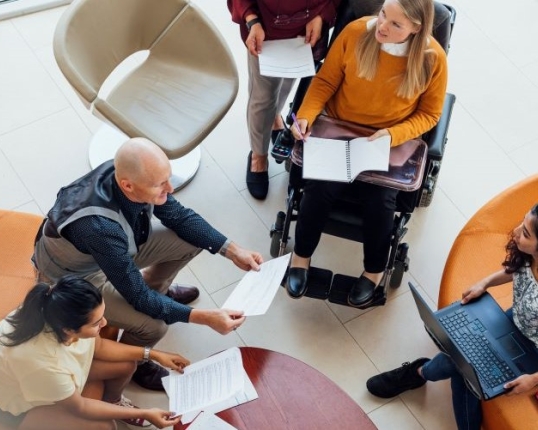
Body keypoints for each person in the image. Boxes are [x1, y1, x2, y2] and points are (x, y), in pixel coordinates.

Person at [33, 137, 263, 392]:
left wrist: (232, 250)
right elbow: (138, 297)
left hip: (116, 249)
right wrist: (205, 318)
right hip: (77, 277)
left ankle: (160, 294)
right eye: (160, 184)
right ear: (127, 186)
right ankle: (137, 362)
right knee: (153, 326)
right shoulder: (100, 228)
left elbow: (179, 216)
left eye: (168, 178)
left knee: (191, 240)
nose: (170, 189)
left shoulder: (129, 173)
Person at [286, 0, 448, 306]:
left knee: (381, 203)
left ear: (416, 28)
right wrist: (306, 114)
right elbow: (325, 81)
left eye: (395, 24)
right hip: (339, 128)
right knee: (318, 190)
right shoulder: (357, 32)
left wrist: (392, 134)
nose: (382, 26)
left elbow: (429, 115)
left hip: (386, 141)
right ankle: (300, 256)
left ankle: (374, 271)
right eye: (383, 14)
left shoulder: (432, 59)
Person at [366, 203, 538, 430]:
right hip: (512, 323)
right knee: (464, 362)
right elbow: (515, 269)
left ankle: (419, 372)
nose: (515, 232)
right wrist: (484, 283)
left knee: (460, 364)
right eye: (521, 223)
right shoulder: (529, 256)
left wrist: (533, 380)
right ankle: (420, 373)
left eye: (525, 233)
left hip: (533, 354)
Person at [0, 275, 188, 430]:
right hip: (25, 404)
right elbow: (80, 408)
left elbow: (100, 347)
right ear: (69, 330)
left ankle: (112, 403)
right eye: (97, 323)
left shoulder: (54, 309)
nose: (105, 323)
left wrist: (154, 354)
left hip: (51, 379)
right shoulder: (41, 364)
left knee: (127, 365)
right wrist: (145, 413)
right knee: (105, 426)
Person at [227, 0, 341, 200]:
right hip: (264, 29)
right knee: (263, 97)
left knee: (289, 79)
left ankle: (274, 117)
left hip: (305, 31)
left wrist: (322, 15)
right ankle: (258, 156)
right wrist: (252, 21)